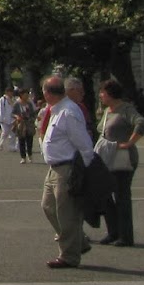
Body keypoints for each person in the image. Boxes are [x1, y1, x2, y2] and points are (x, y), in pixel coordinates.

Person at [40, 76, 96, 269]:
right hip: (54, 167)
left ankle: (69, 256)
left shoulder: (68, 112)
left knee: (67, 214)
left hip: (67, 168)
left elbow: (83, 143)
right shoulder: (57, 110)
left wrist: (88, 169)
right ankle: (78, 241)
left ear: (47, 93)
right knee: (48, 207)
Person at [96, 79, 141, 247]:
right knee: (105, 195)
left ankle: (125, 236)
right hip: (108, 157)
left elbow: (141, 124)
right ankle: (113, 231)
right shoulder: (108, 110)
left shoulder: (126, 109)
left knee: (122, 197)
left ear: (111, 94)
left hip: (123, 159)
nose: (100, 95)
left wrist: (129, 143)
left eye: (103, 92)